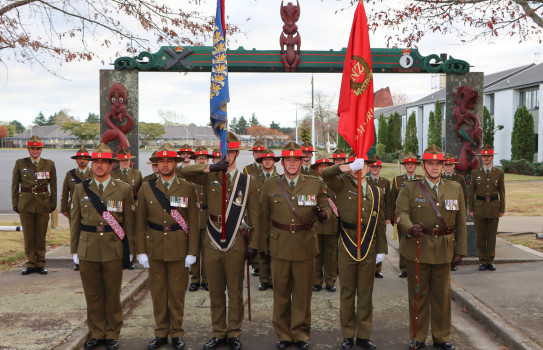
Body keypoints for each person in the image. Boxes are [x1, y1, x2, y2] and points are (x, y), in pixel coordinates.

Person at [181, 132, 260, 350]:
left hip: (236, 240)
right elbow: (183, 171)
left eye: (232, 151)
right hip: (213, 237)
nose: (228, 156)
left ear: (236, 153)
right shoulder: (209, 176)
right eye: (224, 152)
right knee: (215, 291)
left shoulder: (247, 181)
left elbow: (255, 215)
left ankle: (233, 333)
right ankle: (218, 332)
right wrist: (209, 168)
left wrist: (254, 244)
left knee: (235, 291)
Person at [259, 141, 330, 350]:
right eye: (288, 160)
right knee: (280, 294)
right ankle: (282, 334)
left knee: (302, 294)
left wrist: (323, 213)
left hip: (305, 245)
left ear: (302, 161)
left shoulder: (314, 182)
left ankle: (300, 333)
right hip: (279, 245)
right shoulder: (271, 184)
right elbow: (263, 217)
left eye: (295, 159)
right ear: (282, 163)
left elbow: (324, 204)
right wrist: (261, 246)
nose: (291, 163)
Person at [396, 145, 467, 350]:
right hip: (418, 248)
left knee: (442, 297)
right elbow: (401, 213)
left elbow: (461, 221)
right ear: (423, 165)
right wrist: (410, 228)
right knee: (418, 295)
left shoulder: (455, 188)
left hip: (444, 249)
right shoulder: (410, 188)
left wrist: (460, 250)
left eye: (438, 163)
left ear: (444, 165)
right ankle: (418, 337)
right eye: (430, 163)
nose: (435, 168)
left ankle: (441, 337)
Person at [70, 143, 135, 350]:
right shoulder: (81, 189)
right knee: (93, 294)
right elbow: (75, 222)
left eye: (103, 162)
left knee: (112, 294)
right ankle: (97, 333)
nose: (99, 166)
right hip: (87, 248)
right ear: (91, 164)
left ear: (110, 165)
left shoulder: (123, 189)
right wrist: (74, 251)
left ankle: (112, 333)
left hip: (113, 248)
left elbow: (129, 224)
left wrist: (130, 250)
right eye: (95, 161)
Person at [135, 143, 200, 350]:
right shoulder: (146, 187)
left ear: (175, 163)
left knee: (177, 293)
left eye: (169, 160)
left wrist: (192, 252)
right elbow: (139, 222)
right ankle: (161, 332)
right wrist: (141, 250)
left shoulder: (188, 187)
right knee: (158, 292)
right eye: (161, 161)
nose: (165, 164)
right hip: (154, 246)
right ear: (156, 164)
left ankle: (177, 333)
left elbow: (194, 222)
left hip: (179, 247)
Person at [322, 156, 387, 350]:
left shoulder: (377, 192)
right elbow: (325, 174)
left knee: (366, 294)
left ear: (368, 168)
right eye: (356, 167)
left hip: (369, 245)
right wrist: (347, 167)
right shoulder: (341, 186)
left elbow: (380, 223)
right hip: (347, 243)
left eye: (363, 166)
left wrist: (382, 249)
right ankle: (348, 335)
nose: (359, 170)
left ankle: (364, 336)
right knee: (348, 293)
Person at [12, 135, 57, 275]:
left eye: (38, 148)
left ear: (41, 149)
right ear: (29, 149)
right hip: (25, 204)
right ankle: (31, 263)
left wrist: (53, 203)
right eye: (33, 148)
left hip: (43, 203)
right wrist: (15, 204)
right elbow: (15, 185)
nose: (35, 151)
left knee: (41, 235)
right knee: (29, 236)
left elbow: (53, 186)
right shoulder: (20, 163)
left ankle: (41, 263)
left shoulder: (49, 164)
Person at [469, 144, 505, 272]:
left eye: (488, 156)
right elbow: (472, 192)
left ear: (492, 158)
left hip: (494, 208)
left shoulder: (499, 173)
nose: (486, 158)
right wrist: (471, 208)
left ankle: (490, 260)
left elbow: (502, 192)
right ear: (481, 158)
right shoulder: (475, 172)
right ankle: (482, 261)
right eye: (484, 156)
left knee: (491, 236)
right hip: (479, 208)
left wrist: (502, 209)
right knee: (480, 237)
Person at [390, 152, 422, 278]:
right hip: (402, 216)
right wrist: (393, 217)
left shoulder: (421, 179)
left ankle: (417, 266)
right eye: (407, 164)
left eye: (412, 164)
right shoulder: (398, 180)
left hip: (417, 214)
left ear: (415, 166)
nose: (410, 166)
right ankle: (404, 268)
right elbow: (393, 200)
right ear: (405, 166)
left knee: (417, 241)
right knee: (403, 241)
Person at [253, 148, 280, 291]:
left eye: (270, 159)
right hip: (259, 219)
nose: (268, 161)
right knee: (262, 248)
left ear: (274, 162)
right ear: (261, 162)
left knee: (275, 249)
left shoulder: (280, 179)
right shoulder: (254, 179)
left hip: (276, 218)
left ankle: (274, 278)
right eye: (265, 159)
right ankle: (264, 279)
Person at [60, 147, 92, 271]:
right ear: (76, 160)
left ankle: (88, 257)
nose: (82, 161)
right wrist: (63, 208)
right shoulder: (70, 174)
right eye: (80, 158)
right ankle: (76, 259)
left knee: (88, 232)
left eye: (84, 158)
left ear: (89, 160)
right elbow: (65, 191)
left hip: (89, 207)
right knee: (75, 232)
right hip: (73, 207)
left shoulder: (93, 173)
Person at [311, 154, 338, 293]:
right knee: (316, 254)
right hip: (316, 223)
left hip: (332, 224)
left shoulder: (337, 182)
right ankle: (316, 281)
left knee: (331, 255)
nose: (323, 169)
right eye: (320, 166)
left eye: (326, 166)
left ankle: (330, 281)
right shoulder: (311, 182)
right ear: (316, 169)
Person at [188, 146, 212, 292]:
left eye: (204, 158)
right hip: (194, 217)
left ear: (207, 160)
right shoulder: (189, 177)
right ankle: (195, 280)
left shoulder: (212, 175)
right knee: (194, 250)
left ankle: (207, 279)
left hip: (209, 217)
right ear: (195, 160)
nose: (201, 160)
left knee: (207, 251)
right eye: (199, 158)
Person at [243, 139, 267, 277]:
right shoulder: (247, 169)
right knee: (254, 236)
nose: (258, 154)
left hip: (265, 207)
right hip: (252, 207)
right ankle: (256, 265)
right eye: (256, 152)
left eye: (260, 152)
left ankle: (263, 263)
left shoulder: (269, 167)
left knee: (264, 236)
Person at [366, 155, 392, 279]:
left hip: (381, 217)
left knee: (380, 240)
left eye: (377, 166)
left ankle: (378, 269)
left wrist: (388, 217)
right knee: (369, 240)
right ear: (369, 167)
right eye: (372, 166)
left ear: (380, 168)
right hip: (368, 215)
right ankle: (368, 267)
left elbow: (389, 201)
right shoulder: (365, 181)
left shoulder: (385, 182)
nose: (375, 169)